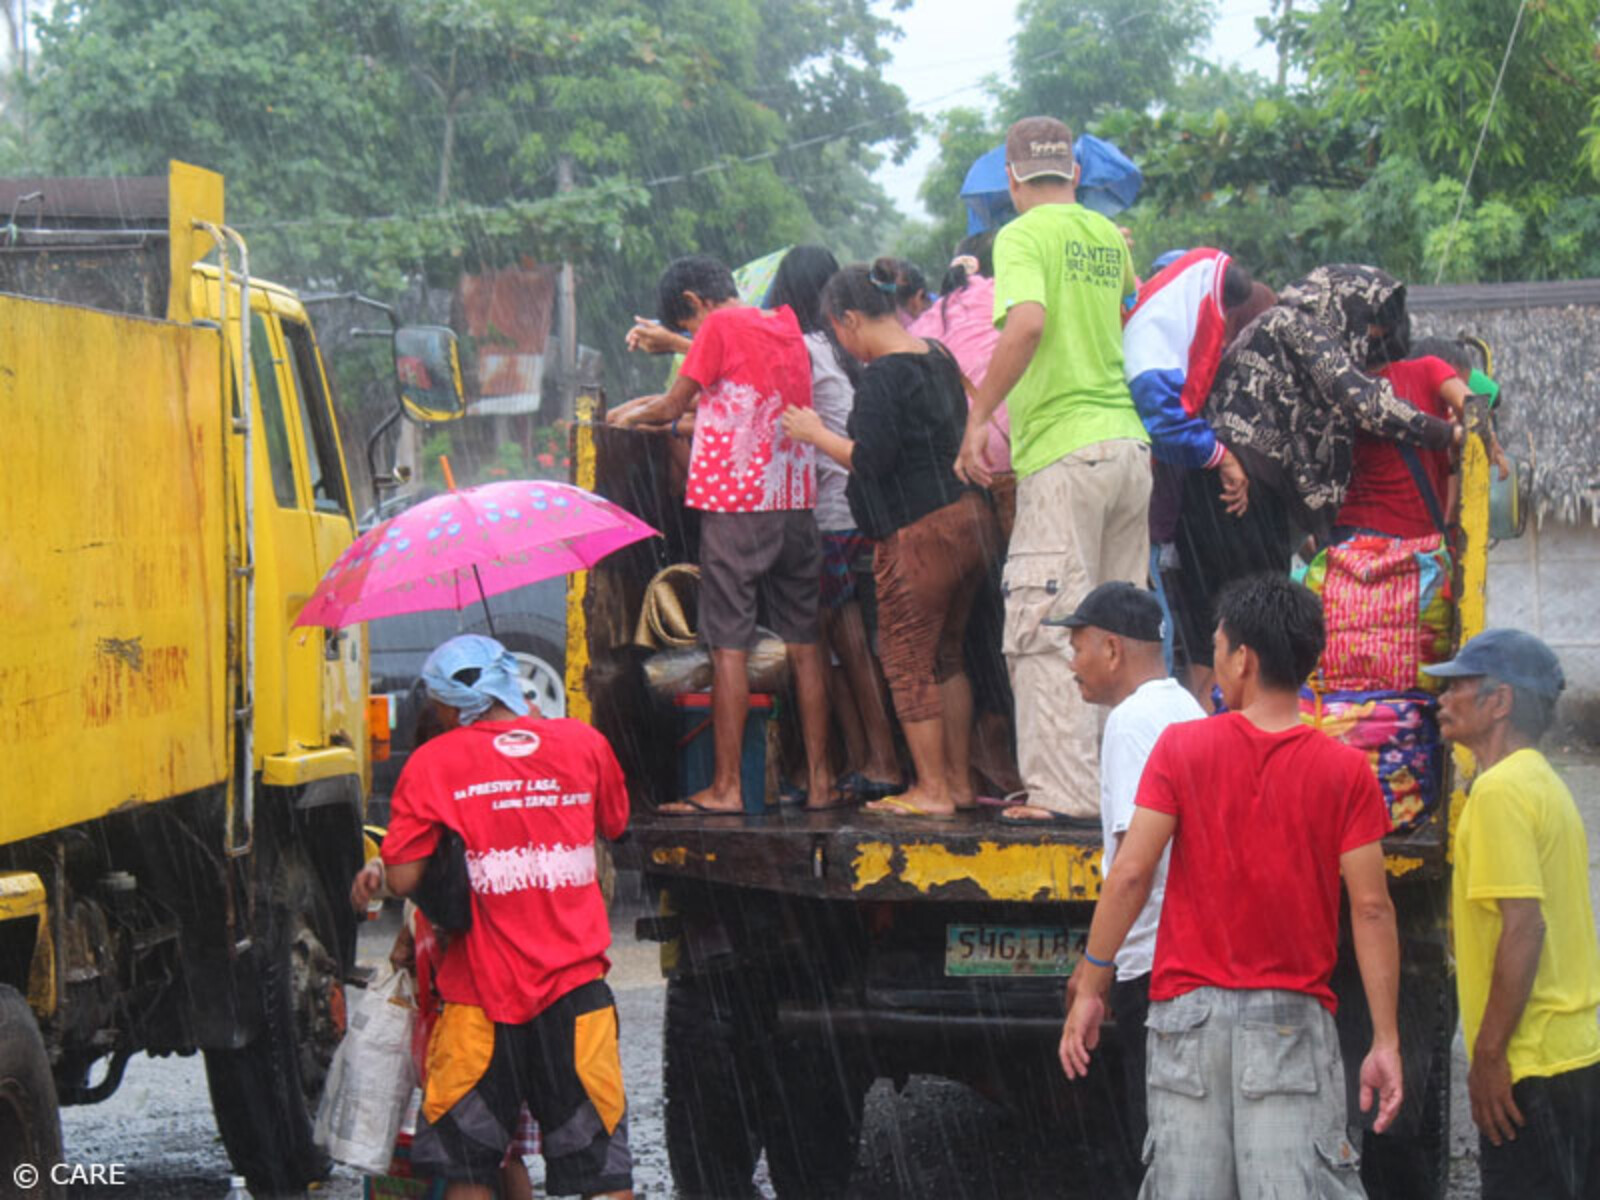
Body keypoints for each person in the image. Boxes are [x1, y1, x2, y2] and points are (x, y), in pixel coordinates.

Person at [1061, 574, 1404, 1198]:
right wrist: (1385, 1038)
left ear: (1243, 659)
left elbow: (1131, 873)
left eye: (1217, 650)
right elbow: (1372, 908)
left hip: (1186, 1019)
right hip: (1290, 1023)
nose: (1213, 668)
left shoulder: (1182, 749)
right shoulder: (1345, 770)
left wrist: (1092, 982)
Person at [350, 634, 633, 1200]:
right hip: (577, 997)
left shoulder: (434, 762)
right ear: (512, 682)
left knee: (468, 1165)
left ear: (450, 708)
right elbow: (615, 822)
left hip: (479, 1002)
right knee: (599, 1167)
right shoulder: (584, 743)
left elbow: (403, 878)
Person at [954, 115, 1152, 824]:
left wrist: (979, 415)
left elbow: (1029, 323)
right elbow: (1125, 302)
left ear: (1012, 179)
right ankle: (1121, 792)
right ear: (1074, 173)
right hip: (1128, 450)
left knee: (1047, 625)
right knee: (1119, 635)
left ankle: (1063, 798)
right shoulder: (1104, 233)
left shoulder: (1021, 234)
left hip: (1065, 453)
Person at [608, 254, 838, 812]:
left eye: (686, 324)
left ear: (692, 303)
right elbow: (737, 370)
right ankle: (823, 782)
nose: (692, 334)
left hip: (738, 510)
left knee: (728, 647)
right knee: (806, 646)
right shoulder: (782, 323)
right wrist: (681, 344)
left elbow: (669, 407)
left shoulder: (716, 326)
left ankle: (728, 788)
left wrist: (625, 419)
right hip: (794, 502)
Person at [782, 259, 1000, 818]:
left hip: (918, 534)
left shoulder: (883, 375)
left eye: (839, 332)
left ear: (850, 319)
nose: (843, 343)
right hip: (969, 522)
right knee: (947, 656)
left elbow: (871, 460)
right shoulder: (937, 356)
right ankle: (954, 782)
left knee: (906, 660)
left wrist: (814, 433)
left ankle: (928, 790)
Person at [1425, 630, 1600, 1200]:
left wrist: (1489, 1059)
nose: (1441, 700)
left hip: (1534, 1066)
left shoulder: (1500, 792)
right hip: (1574, 1053)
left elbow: (1523, 927)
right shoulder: (1544, 783)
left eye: (1457, 688)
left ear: (1499, 703)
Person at [1052, 581, 1205, 1172]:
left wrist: (1093, 975)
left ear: (1113, 650)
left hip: (1157, 967)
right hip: (1194, 957)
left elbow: (1132, 868)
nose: (1072, 665)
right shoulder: (1186, 707)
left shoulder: (1130, 721)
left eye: (1079, 646)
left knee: (1159, 1150)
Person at [766, 244, 902, 801]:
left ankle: (876, 759)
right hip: (858, 507)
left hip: (829, 513)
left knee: (832, 642)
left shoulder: (802, 349)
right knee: (844, 643)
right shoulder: (841, 347)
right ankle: (865, 757)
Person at [1121, 246, 1274, 698]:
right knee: (1159, 634)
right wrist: (1223, 459)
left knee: (1168, 634)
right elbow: (1166, 419)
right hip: (1166, 520)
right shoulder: (1161, 345)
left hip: (1171, 524)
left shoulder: (1169, 334)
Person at [907, 232, 1021, 800]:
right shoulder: (1019, 293)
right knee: (1027, 616)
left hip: (965, 480)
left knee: (976, 625)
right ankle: (1014, 757)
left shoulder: (930, 317)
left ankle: (971, 766)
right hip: (1026, 466)